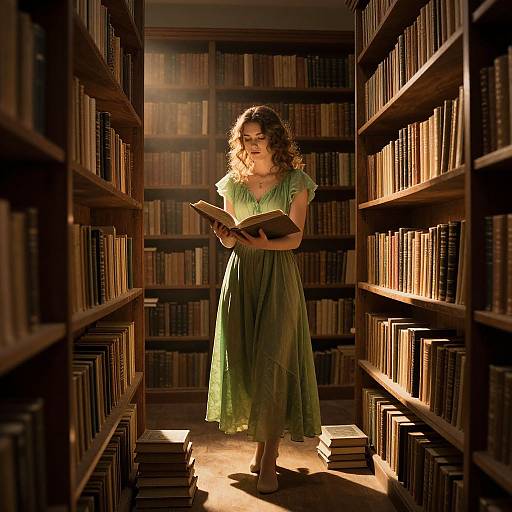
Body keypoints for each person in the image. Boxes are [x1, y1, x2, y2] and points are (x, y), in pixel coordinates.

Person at [205, 105, 322, 494]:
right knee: (247, 361)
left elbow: (295, 238)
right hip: (240, 274)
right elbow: (228, 237)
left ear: (275, 138)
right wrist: (224, 235)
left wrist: (264, 242)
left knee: (274, 361)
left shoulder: (296, 180)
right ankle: (260, 449)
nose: (253, 145)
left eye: (260, 137)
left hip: (277, 275)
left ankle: (269, 459)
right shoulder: (232, 183)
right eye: (247, 139)